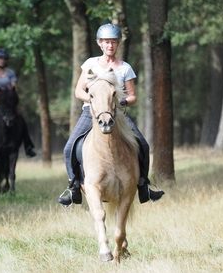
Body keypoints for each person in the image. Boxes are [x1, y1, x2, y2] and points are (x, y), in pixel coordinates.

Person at [57, 23, 164, 207]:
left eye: (113, 42)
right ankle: (73, 186)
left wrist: (121, 102)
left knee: (143, 145)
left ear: (118, 44)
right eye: (106, 42)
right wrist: (95, 102)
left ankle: (143, 185)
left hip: (117, 114)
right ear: (100, 43)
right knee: (69, 148)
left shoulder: (124, 68)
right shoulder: (90, 64)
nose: (110, 46)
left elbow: (132, 97)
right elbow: (79, 91)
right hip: (90, 113)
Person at [0, 48, 36, 161]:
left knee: (21, 120)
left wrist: (12, 97)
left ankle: (28, 147)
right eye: (0, 59)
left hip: (8, 104)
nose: (2, 61)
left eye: (4, 59)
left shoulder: (11, 73)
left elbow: (14, 87)